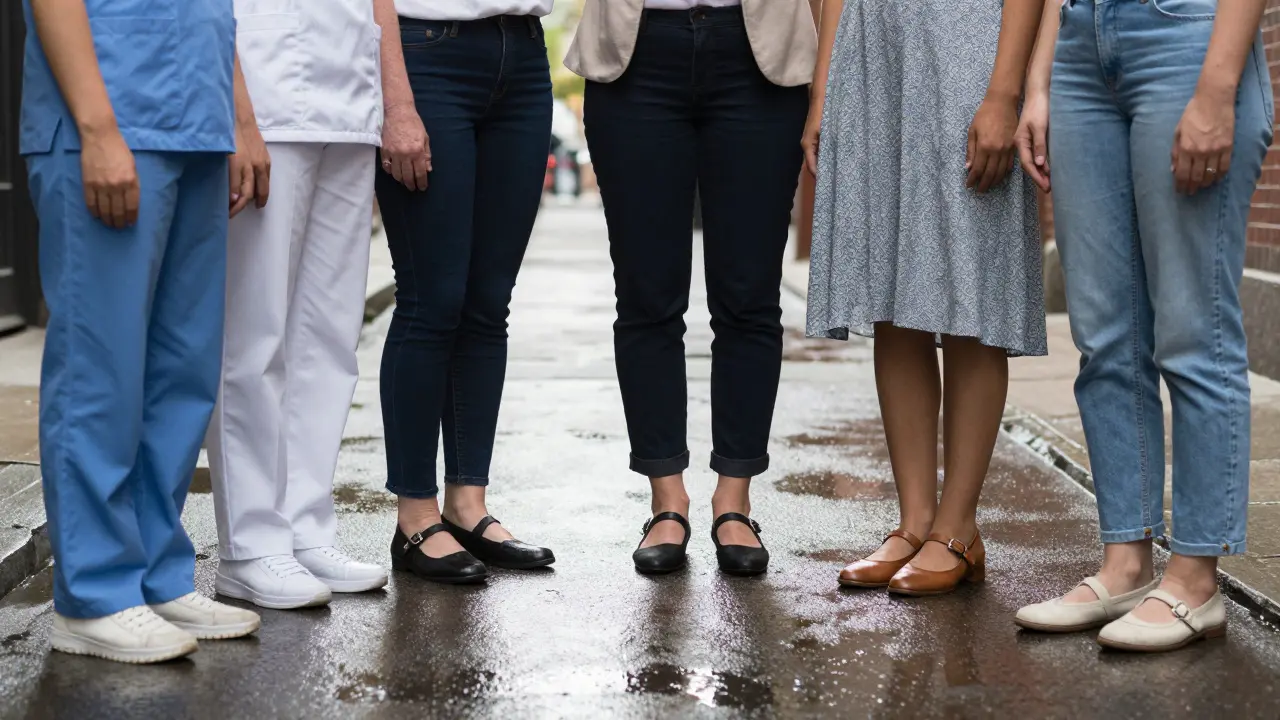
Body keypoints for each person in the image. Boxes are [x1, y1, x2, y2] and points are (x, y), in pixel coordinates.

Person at [1014, 0, 1271, 652]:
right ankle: (1124, 564)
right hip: (1078, 44)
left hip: (1187, 32)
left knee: (1193, 333)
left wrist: (1218, 88)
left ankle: (1194, 580)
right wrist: (1039, 81)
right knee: (1104, 339)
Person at [20, 0, 262, 663]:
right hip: (111, 120)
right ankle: (93, 594)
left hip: (199, 126)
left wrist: (239, 120)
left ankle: (157, 575)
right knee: (102, 371)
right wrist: (97, 128)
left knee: (180, 375)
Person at [566, 1, 816, 577]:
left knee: (749, 296)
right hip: (637, 54)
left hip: (759, 58)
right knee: (646, 296)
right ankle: (666, 500)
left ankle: (734, 500)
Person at [804, 0, 1046, 595]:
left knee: (969, 291)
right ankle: (915, 523)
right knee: (892, 295)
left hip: (969, 46)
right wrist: (824, 90)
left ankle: (957, 526)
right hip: (872, 54)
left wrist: (1004, 91)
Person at [206, 0, 412, 610]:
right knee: (254, 335)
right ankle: (249, 543)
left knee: (328, 337)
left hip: (349, 97)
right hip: (267, 90)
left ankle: (306, 527)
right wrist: (235, 112)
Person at [376, 0, 556, 584]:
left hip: (524, 57)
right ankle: (415, 516)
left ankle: (467, 505)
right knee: (432, 300)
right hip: (426, 53)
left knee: (487, 304)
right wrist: (397, 102)